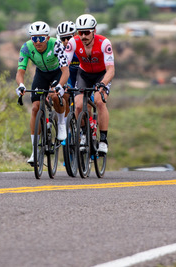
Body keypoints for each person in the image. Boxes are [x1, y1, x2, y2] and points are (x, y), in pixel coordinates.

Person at [16, 21, 69, 165]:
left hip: (57, 73)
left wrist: (59, 86)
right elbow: (20, 71)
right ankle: (35, 151)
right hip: (41, 74)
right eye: (34, 38)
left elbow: (65, 71)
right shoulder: (26, 48)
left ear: (47, 37)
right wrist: (21, 85)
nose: (37, 42)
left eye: (40, 38)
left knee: (55, 95)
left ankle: (61, 123)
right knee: (35, 107)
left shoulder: (56, 44)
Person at [64, 13, 115, 154]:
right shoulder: (73, 42)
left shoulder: (104, 43)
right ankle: (84, 134)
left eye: (87, 32)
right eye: (81, 32)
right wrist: (61, 83)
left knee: (99, 102)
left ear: (94, 31)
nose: (84, 36)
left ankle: (103, 140)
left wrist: (103, 83)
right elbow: (65, 66)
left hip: (101, 75)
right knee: (79, 106)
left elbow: (111, 69)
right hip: (84, 74)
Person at [56, 20, 79, 107]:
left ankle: (90, 119)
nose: (66, 41)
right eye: (63, 39)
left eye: (69, 38)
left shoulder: (81, 47)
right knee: (65, 94)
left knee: (84, 103)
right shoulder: (59, 49)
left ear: (75, 35)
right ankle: (66, 119)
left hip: (82, 74)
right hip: (69, 75)